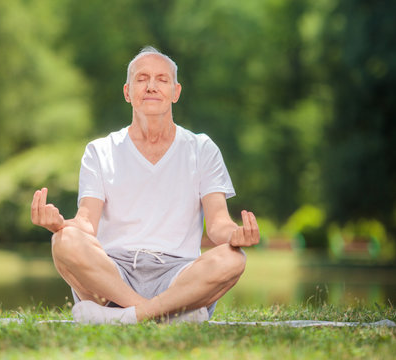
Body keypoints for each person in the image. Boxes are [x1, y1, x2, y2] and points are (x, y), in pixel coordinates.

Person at [31, 46, 259, 324]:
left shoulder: (202, 148)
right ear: (127, 92)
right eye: (142, 79)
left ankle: (123, 317)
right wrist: (60, 225)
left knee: (233, 259)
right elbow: (86, 224)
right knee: (64, 241)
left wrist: (235, 235)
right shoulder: (100, 150)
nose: (151, 86)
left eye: (162, 79)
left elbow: (218, 225)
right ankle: (163, 314)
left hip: (179, 276)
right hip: (113, 275)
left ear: (176, 92)